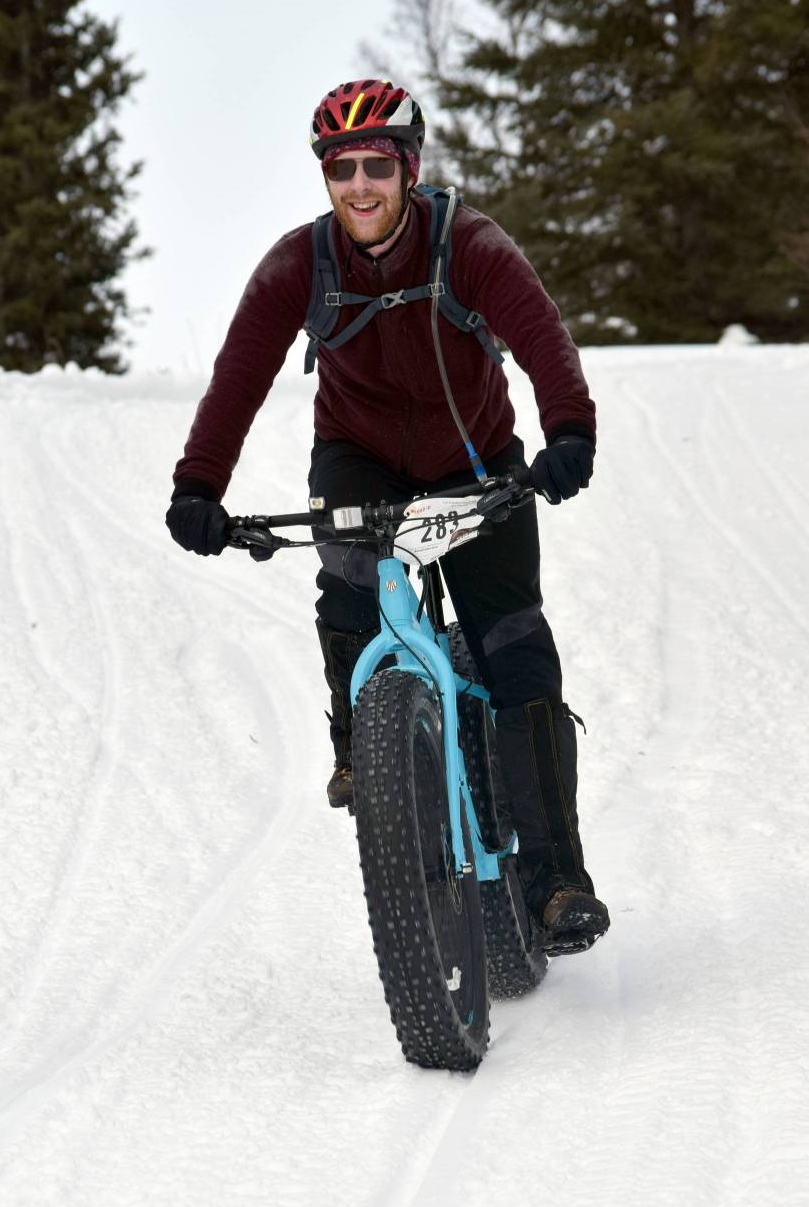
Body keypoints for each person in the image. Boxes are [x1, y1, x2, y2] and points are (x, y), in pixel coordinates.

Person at [166, 78, 609, 954]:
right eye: (341, 169)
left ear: (407, 169)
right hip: (360, 461)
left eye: (376, 165)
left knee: (515, 646)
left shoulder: (468, 243)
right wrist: (198, 485)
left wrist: (568, 431)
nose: (359, 186)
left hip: (476, 463)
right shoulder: (301, 265)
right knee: (351, 585)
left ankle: (555, 879)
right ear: (326, 179)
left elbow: (540, 334)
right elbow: (239, 378)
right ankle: (360, 742)